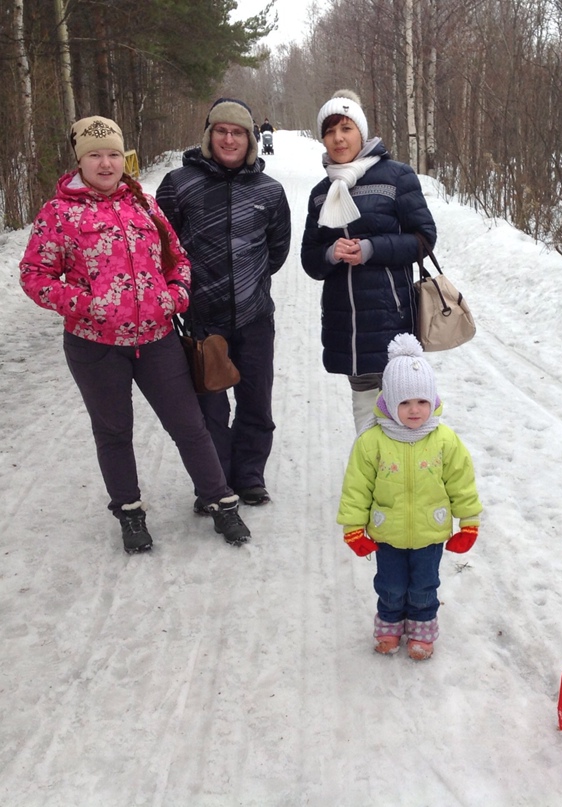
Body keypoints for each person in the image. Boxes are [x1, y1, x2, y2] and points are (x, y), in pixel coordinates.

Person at [19, 115, 252, 553]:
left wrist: (175, 296)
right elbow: (34, 275)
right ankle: (129, 512)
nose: (105, 163)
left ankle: (220, 499)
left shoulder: (142, 203)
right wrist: (88, 305)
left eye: (112, 154)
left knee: (189, 423)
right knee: (113, 430)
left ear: (123, 156)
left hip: (157, 338)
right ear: (80, 160)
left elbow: (178, 260)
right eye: (95, 155)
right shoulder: (58, 213)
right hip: (95, 346)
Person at [157, 98, 291, 509]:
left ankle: (250, 477)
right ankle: (215, 483)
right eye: (221, 131)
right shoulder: (179, 185)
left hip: (254, 319)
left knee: (256, 402)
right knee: (208, 411)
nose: (229, 139)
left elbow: (277, 250)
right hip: (202, 321)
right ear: (209, 135)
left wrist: (248, 283)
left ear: (250, 139)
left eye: (238, 132)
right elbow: (162, 248)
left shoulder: (269, 191)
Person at [337, 333, 483, 660]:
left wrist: (469, 521)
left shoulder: (444, 440)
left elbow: (461, 481)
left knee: (424, 585)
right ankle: (389, 624)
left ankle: (421, 627)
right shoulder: (372, 441)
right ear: (388, 402)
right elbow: (357, 486)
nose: (414, 410)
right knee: (389, 584)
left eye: (421, 401)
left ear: (433, 399)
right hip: (387, 532)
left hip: (430, 532)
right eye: (404, 403)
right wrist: (353, 527)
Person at [301, 90, 437, 433]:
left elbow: (423, 239)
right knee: (365, 420)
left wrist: (372, 248)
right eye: (330, 131)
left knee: (406, 417)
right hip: (348, 328)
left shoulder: (396, 177)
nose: (338, 138)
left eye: (345, 128)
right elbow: (310, 260)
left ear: (361, 132)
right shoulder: (320, 193)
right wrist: (332, 254)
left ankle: (412, 483)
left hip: (393, 322)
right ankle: (373, 485)